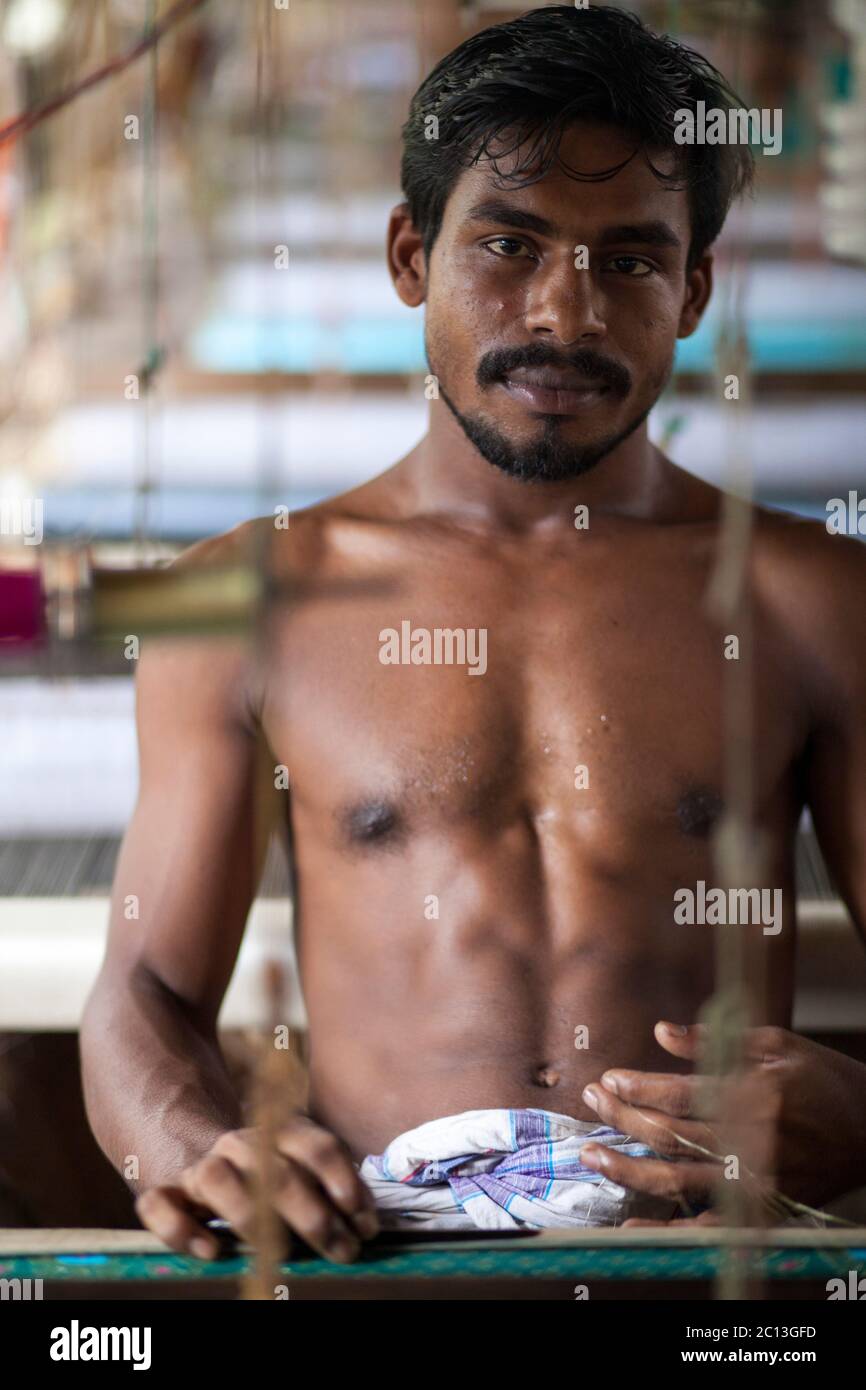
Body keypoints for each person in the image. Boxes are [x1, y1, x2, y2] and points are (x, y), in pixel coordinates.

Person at [81, 4, 866, 1260]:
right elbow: (141, 992)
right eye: (508, 244)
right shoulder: (235, 594)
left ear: (694, 288)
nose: (564, 315)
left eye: (628, 260)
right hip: (376, 1255)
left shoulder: (817, 597)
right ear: (409, 258)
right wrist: (194, 1147)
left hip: (693, 1263)